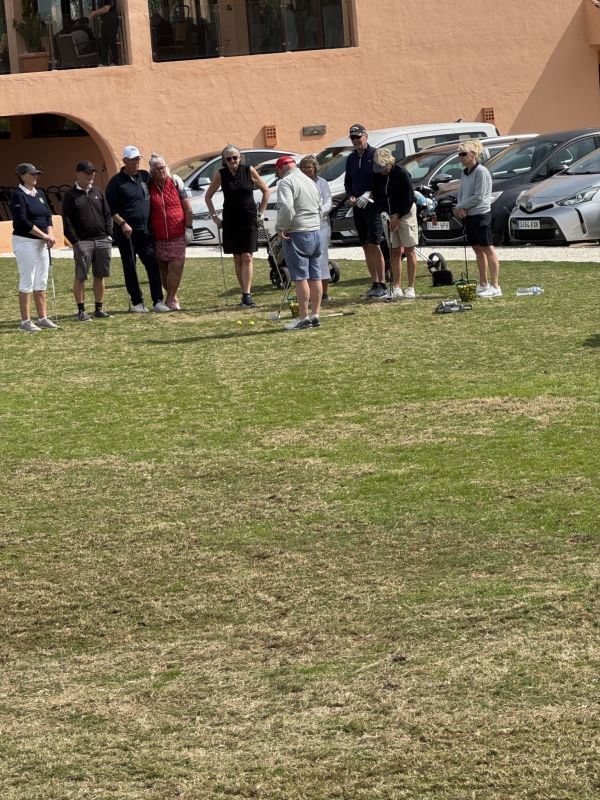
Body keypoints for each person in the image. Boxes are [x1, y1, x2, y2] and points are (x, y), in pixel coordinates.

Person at [106, 145, 170, 313]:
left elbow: (161, 179)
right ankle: (137, 302)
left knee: (153, 264)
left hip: (145, 231)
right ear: (125, 161)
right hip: (126, 233)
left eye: (138, 159)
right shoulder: (116, 182)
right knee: (130, 267)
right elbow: (111, 209)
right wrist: (123, 223)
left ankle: (158, 301)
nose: (136, 162)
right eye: (133, 160)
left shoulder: (144, 176)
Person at [205, 144, 269, 308]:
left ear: (240, 158)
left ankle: (247, 294)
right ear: (224, 161)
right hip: (231, 219)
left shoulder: (249, 170)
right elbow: (208, 196)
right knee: (237, 257)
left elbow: (266, 191)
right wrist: (215, 217)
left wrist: (261, 213)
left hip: (248, 218)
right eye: (229, 159)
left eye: (235, 157)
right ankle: (244, 293)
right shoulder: (221, 174)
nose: (232, 161)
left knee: (247, 256)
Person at [275, 155, 323, 331]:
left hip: (297, 232)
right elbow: (320, 207)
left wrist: (281, 227)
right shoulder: (310, 181)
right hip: (315, 231)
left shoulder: (286, 182)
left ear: (281, 169)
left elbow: (287, 207)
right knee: (315, 275)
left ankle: (303, 318)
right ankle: (315, 314)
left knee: (300, 277)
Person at [62, 160, 113, 322]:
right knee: (81, 277)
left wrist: (109, 235)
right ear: (78, 174)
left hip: (102, 240)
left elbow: (107, 215)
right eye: (87, 172)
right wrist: (76, 241)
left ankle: (99, 308)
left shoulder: (98, 191)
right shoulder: (70, 195)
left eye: (92, 172)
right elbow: (67, 222)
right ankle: (82, 311)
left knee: (100, 275)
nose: (91, 175)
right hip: (83, 242)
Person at [10, 163, 58, 333]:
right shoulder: (18, 195)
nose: (36, 176)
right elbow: (22, 221)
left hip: (42, 242)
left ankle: (43, 318)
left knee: (41, 280)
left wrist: (50, 234)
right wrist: (44, 235)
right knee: (27, 281)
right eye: (32, 174)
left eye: (37, 174)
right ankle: (25, 321)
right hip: (25, 242)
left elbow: (48, 216)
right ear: (23, 176)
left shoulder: (40, 193)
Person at [343, 123, 387, 299]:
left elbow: (382, 179)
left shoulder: (375, 154)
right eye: (353, 138)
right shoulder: (351, 158)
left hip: (373, 207)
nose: (356, 141)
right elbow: (348, 181)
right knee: (365, 245)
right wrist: (351, 196)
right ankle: (374, 282)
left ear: (365, 136)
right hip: (358, 208)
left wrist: (370, 193)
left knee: (375, 244)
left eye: (358, 137)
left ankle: (382, 283)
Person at [454, 139, 501, 298]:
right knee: (477, 249)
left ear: (473, 154)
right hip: (469, 216)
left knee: (487, 248)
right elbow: (461, 193)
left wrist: (461, 206)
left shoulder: (481, 171)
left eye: (463, 154)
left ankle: (496, 286)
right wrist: (460, 206)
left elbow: (479, 196)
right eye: (459, 154)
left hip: (481, 215)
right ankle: (483, 283)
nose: (461, 157)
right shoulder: (464, 173)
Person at [372, 147, 418, 299]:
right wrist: (385, 214)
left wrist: (398, 216)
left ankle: (410, 287)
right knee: (395, 250)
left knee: (409, 250)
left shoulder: (401, 173)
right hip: (388, 216)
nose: (382, 172)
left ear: (390, 163)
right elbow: (377, 197)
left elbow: (409, 198)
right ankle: (397, 286)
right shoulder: (377, 176)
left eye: (384, 168)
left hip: (405, 213)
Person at [148, 153, 193, 310]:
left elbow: (188, 208)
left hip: (177, 233)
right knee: (164, 268)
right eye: (158, 169)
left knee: (176, 267)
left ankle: (171, 298)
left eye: (163, 167)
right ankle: (172, 296)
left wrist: (189, 228)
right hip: (159, 236)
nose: (161, 171)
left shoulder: (175, 182)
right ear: (152, 171)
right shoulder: (148, 186)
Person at [299, 154, 332, 301]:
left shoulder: (322, 183)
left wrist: (317, 214)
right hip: (304, 226)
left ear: (315, 168)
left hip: (321, 226)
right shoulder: (298, 183)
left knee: (321, 259)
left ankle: (323, 293)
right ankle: (309, 292)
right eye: (303, 167)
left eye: (309, 167)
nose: (306, 170)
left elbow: (328, 203)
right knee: (306, 261)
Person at [89, 0, 120, 66]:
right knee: (103, 42)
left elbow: (106, 8)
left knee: (111, 42)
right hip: (104, 21)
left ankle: (115, 62)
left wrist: (95, 13)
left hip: (111, 20)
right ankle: (104, 62)